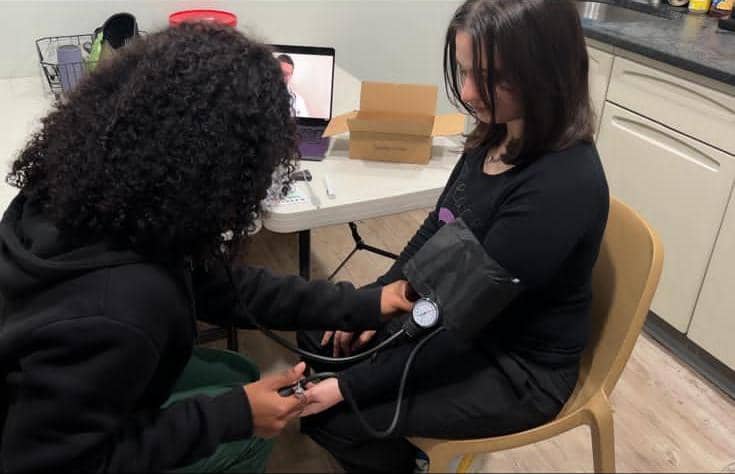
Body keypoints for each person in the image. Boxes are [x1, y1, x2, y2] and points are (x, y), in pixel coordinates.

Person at [0, 23, 412, 473]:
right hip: (41, 445)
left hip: (54, 388)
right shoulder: (122, 308)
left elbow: (225, 287)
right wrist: (234, 418)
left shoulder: (85, 195)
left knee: (237, 374)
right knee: (247, 436)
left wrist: (361, 304)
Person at [296, 0, 610, 472]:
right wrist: (371, 301)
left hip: (514, 365)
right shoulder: (496, 131)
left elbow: (461, 327)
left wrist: (349, 386)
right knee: (320, 334)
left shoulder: (561, 186)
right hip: (457, 313)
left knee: (335, 414)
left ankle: (409, 462)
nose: (467, 93)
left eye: (489, 78)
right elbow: (439, 225)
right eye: (464, 71)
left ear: (546, 70)